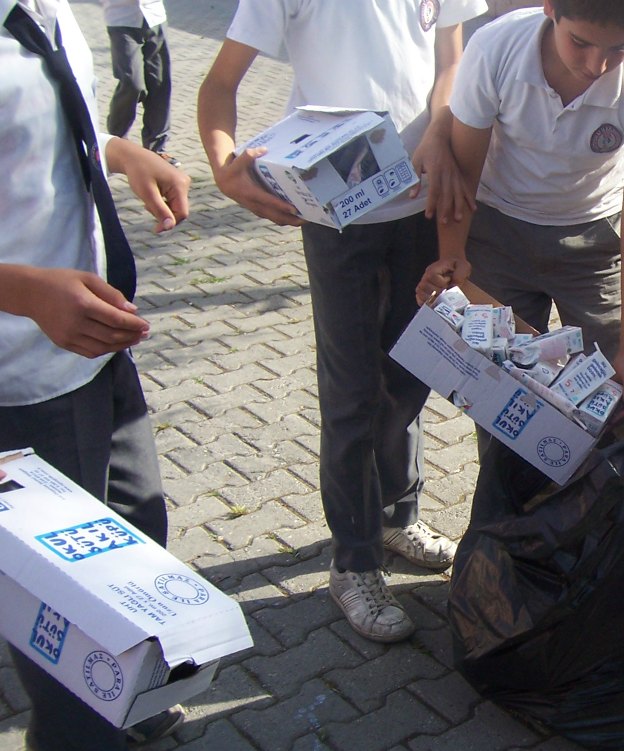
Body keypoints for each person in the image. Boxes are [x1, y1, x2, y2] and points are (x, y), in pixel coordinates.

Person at [198, 0, 487, 645]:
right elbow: (219, 84)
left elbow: (452, 62)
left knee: (411, 375)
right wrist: (224, 167)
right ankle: (354, 560)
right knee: (353, 390)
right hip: (338, 219)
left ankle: (396, 512)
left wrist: (440, 129)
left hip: (421, 207)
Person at [0, 0, 193, 751]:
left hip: (92, 340)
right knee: (64, 587)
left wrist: (118, 153)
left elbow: (36, 133)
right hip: (19, 360)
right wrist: (26, 292)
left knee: (136, 528)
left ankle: (110, 696)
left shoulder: (37, 8)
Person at [419, 0, 624, 414]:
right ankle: (506, 480)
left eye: (618, 47)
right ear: (550, 9)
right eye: (580, 42)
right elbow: (465, 175)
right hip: (498, 232)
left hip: (593, 242)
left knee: (614, 393)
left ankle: (596, 479)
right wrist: (453, 254)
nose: (597, 65)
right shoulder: (494, 48)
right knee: (501, 395)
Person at [102, 0, 175, 163]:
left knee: (159, 83)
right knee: (131, 84)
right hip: (121, 19)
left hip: (155, 16)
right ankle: (115, 143)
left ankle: (157, 149)